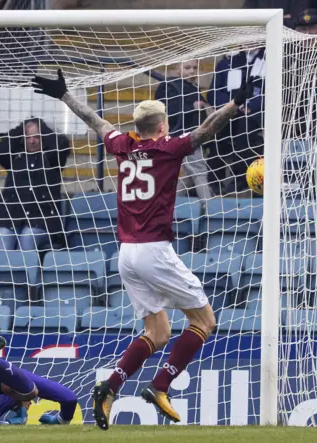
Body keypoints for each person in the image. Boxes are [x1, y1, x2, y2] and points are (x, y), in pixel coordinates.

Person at [32, 69, 253, 429]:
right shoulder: (169, 149)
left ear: (137, 126)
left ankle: (109, 386)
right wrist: (234, 103)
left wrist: (64, 95)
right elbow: (206, 130)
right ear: (163, 126)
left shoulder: (122, 145)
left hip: (126, 255)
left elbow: (96, 120)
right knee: (204, 320)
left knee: (159, 333)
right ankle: (160, 385)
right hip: (154, 250)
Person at [0, 118, 69, 251]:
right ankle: (4, 271)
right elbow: (0, 150)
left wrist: (42, 126)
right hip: (11, 218)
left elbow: (62, 145)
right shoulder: (16, 158)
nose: (32, 141)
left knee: (28, 237)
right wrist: (22, 127)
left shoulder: (51, 159)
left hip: (41, 220)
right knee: (3, 235)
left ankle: (26, 272)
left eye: (37, 137)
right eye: (28, 137)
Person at [154, 61, 215, 200]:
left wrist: (208, 108)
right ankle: (210, 207)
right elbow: (165, 110)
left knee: (189, 177)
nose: (192, 71)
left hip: (194, 136)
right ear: (177, 69)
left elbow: (202, 108)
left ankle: (171, 204)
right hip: (179, 136)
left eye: (194, 68)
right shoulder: (169, 86)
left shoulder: (194, 88)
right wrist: (191, 107)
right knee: (199, 171)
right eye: (187, 68)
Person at [207, 47, 264, 193]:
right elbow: (213, 93)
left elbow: (275, 90)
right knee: (216, 125)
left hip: (257, 114)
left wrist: (251, 106)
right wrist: (231, 106)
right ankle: (214, 182)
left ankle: (241, 179)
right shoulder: (227, 62)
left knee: (245, 126)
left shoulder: (270, 58)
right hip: (230, 110)